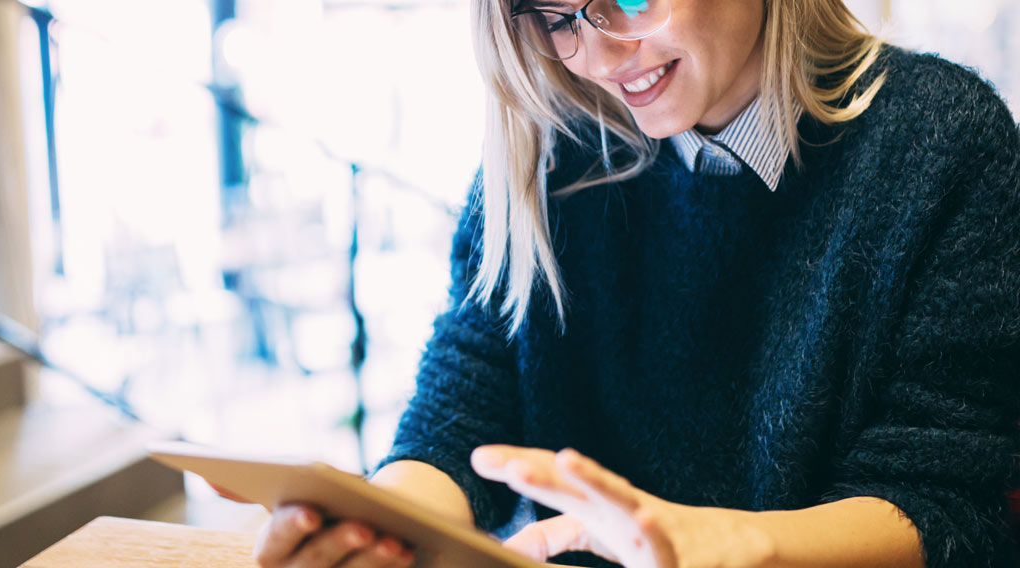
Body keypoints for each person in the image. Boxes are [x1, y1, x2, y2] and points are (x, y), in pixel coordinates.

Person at [249, 0, 1020, 566]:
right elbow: (461, 416)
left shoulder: (941, 139)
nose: (602, 54)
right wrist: (377, 530)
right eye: (558, 18)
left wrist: (720, 545)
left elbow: (947, 501)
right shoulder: (551, 152)